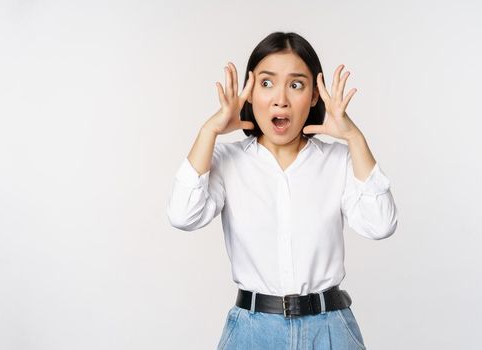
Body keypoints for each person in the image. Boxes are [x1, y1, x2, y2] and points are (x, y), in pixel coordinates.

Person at [166, 32, 398, 350]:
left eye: (296, 84)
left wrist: (355, 138)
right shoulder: (227, 160)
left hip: (329, 329)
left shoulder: (338, 161)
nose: (280, 99)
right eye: (266, 83)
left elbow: (380, 224)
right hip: (252, 330)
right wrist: (210, 130)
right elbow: (182, 215)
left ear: (315, 95)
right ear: (249, 93)